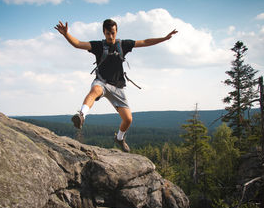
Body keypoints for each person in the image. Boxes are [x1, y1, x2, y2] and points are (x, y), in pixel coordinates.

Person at [54, 19, 177, 152]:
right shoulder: (98, 46)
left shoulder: (123, 44)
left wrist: (164, 38)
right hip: (101, 82)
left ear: (116, 31)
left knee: (128, 119)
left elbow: (145, 42)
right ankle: (81, 115)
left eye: (113, 33)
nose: (111, 36)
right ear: (104, 33)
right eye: (108, 33)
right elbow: (78, 44)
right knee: (95, 90)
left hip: (118, 87)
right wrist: (66, 34)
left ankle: (119, 138)